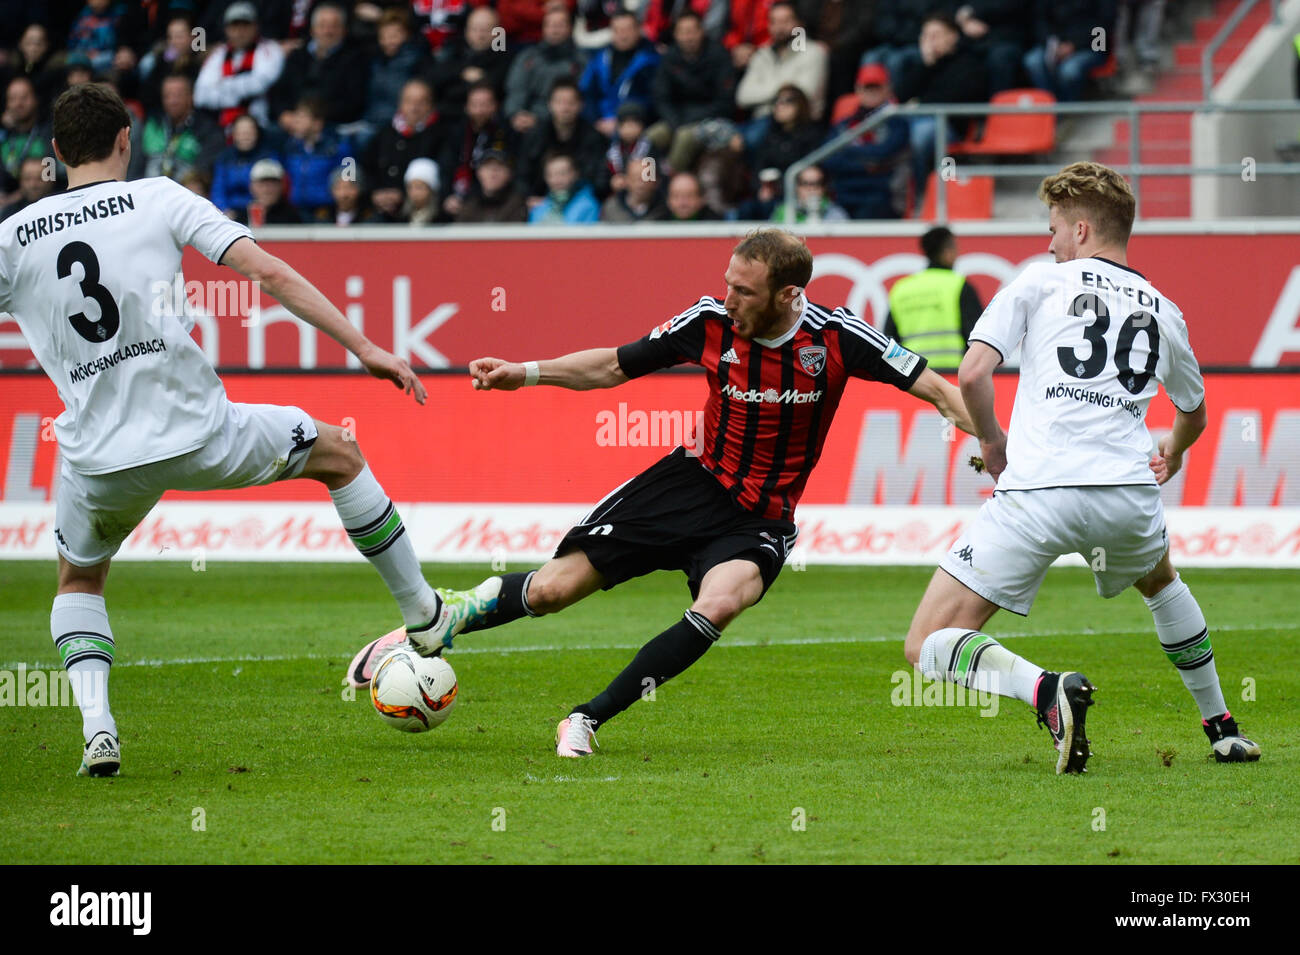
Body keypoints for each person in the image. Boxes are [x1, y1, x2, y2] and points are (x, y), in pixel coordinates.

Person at [347, 229, 975, 757]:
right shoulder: (707, 322)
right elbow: (614, 365)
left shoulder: (839, 339)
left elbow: (942, 392)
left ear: (790, 294)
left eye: (744, 290)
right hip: (685, 486)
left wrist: (999, 445)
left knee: (722, 602)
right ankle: (438, 620)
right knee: (554, 590)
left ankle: (585, 719)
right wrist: (527, 373)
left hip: (759, 517)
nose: (728, 298)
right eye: (727, 282)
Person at [0, 83, 434, 778]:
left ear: (53, 153)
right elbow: (265, 272)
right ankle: (423, 610)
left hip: (98, 459)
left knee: (79, 577)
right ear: (124, 141)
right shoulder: (160, 196)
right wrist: (365, 346)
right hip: (203, 434)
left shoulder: (13, 238)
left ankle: (99, 726)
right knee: (340, 452)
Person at [902, 161, 1261, 773]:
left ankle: (1044, 690)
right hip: (1126, 493)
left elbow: (973, 374)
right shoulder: (1165, 310)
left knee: (925, 644)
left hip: (1036, 492)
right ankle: (1222, 725)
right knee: (1162, 583)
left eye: (1054, 229)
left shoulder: (1039, 282)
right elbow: (1195, 413)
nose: (1049, 242)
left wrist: (990, 443)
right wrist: (1171, 450)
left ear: (1083, 230)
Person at [884, 226, 983, 371]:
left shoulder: (901, 289)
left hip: (913, 377)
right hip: (953, 376)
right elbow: (977, 339)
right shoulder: (960, 285)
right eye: (955, 247)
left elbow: (889, 341)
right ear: (947, 251)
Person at [193, 1, 286, 134]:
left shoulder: (270, 49)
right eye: (235, 26)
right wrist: (238, 93)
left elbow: (259, 84)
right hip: (223, 129)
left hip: (260, 126)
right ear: (226, 30)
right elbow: (200, 96)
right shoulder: (218, 54)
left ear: (256, 27)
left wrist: (221, 86)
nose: (240, 31)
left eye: (245, 25)